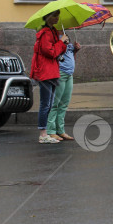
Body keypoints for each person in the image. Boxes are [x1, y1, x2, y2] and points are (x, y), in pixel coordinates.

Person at [30, 10, 68, 144]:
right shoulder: (45, 33)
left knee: (50, 103)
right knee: (45, 104)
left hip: (52, 71)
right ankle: (42, 134)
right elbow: (50, 52)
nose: (57, 18)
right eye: (55, 16)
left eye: (58, 15)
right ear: (48, 18)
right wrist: (60, 42)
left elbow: (58, 51)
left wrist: (64, 43)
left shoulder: (53, 32)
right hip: (45, 72)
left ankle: (46, 133)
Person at [46, 32, 80, 142]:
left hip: (69, 75)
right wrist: (61, 42)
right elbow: (54, 54)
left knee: (64, 103)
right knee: (55, 102)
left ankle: (60, 130)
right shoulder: (55, 38)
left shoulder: (67, 39)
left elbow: (70, 56)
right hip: (60, 74)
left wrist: (75, 49)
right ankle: (51, 131)